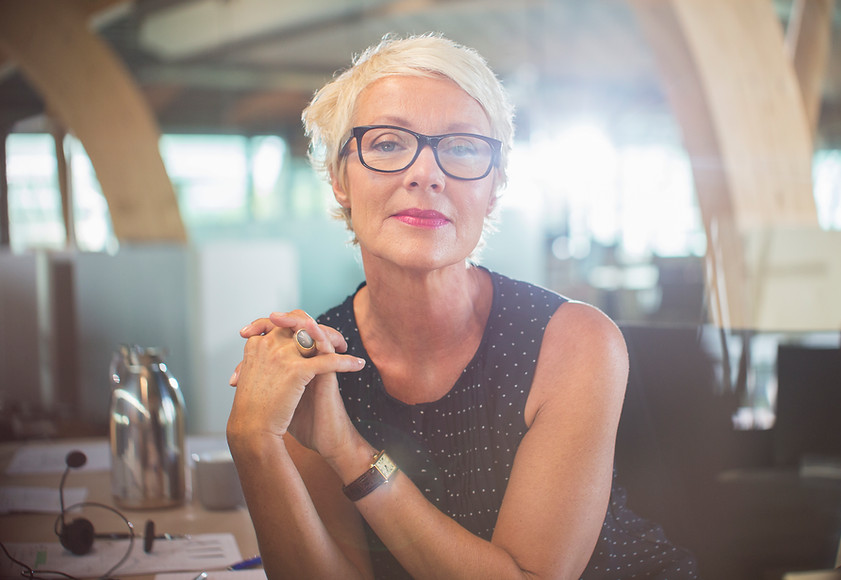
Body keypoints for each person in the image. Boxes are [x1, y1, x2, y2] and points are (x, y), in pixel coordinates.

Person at [226, 33, 698, 579]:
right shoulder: (314, 360)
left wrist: (348, 450)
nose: (426, 172)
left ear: (494, 187)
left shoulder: (573, 341)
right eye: (386, 144)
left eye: (463, 147)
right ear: (339, 179)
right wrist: (254, 443)